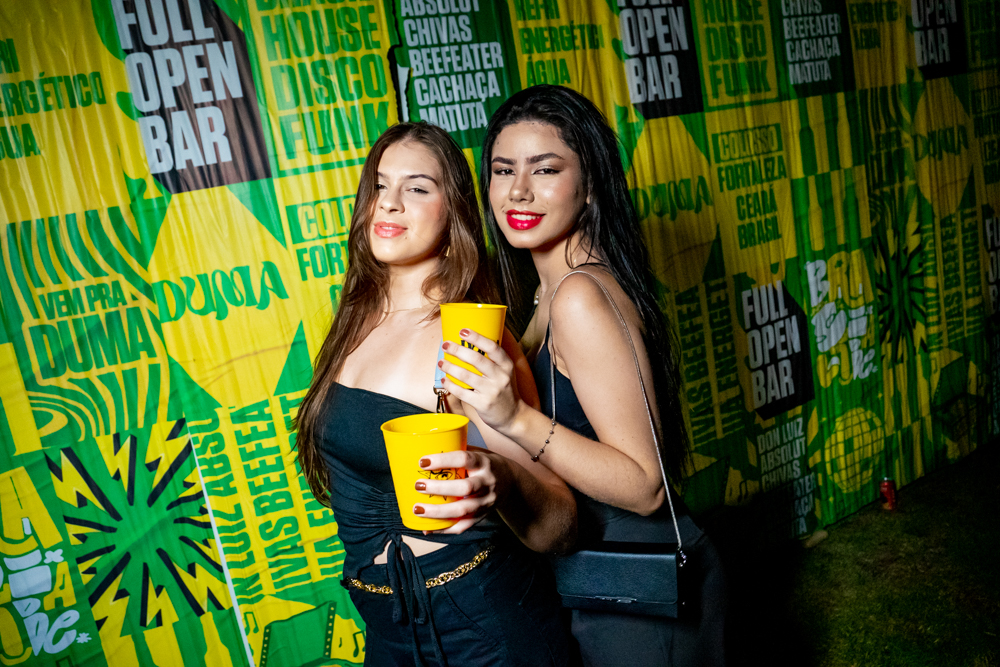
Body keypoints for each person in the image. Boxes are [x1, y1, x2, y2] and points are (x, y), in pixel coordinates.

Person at [438, 85, 727, 666]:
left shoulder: (579, 297)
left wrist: (514, 417)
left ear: (590, 184)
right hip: (596, 579)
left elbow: (645, 486)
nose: (519, 190)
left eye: (545, 169)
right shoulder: (548, 291)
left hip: (641, 589)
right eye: (503, 170)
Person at [294, 122, 577, 667]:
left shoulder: (466, 337)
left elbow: (561, 527)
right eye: (380, 185)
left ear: (454, 215)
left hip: (480, 627)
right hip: (388, 626)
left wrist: (501, 477)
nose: (389, 203)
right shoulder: (356, 317)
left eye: (417, 188)